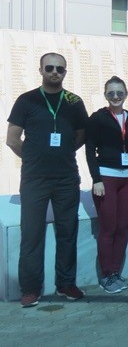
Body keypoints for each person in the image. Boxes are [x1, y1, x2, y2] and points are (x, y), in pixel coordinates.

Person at [6, 52, 89, 307]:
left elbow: (82, 135)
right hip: (35, 179)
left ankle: (66, 283)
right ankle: (31, 289)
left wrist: (63, 152)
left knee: (68, 232)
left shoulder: (74, 102)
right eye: (50, 68)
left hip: (66, 178)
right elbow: (12, 139)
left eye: (60, 69)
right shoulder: (26, 100)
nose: (55, 72)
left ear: (65, 72)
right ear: (40, 70)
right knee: (32, 234)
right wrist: (33, 158)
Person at [85, 76, 128, 294]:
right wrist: (96, 179)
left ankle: (116, 272)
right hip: (107, 177)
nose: (115, 96)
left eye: (119, 93)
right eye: (111, 93)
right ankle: (106, 275)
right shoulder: (97, 118)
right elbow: (89, 150)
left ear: (126, 94)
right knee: (108, 227)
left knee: (122, 227)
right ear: (105, 95)